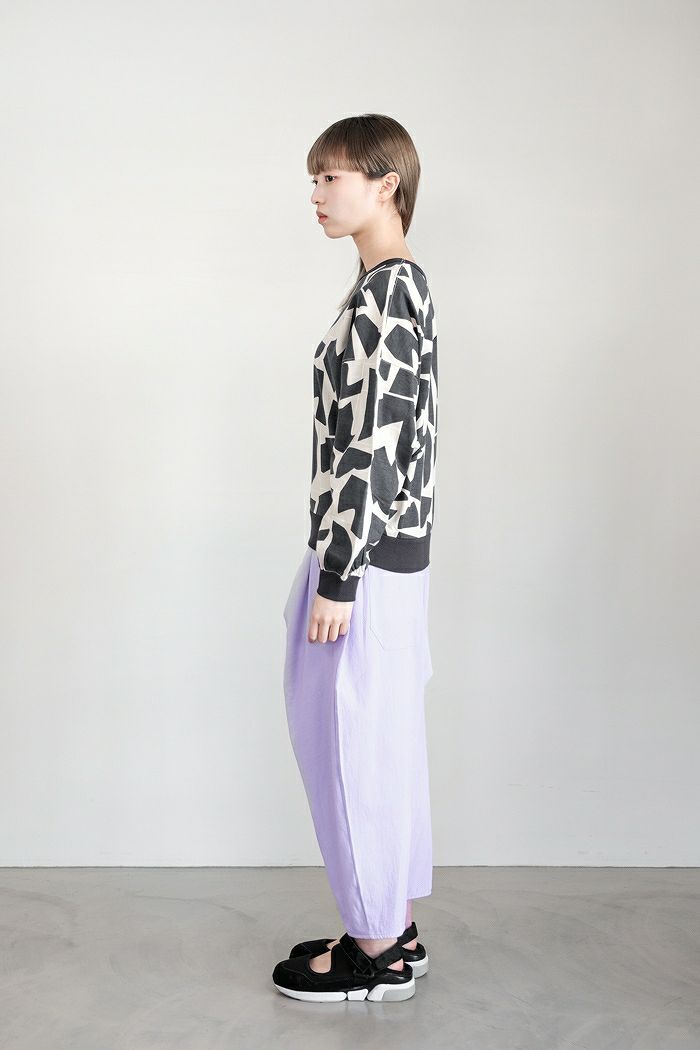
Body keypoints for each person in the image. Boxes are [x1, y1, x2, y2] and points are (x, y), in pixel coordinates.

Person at [272, 113, 439, 1003]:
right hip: (381, 556)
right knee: (375, 743)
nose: (316, 194)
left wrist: (337, 577)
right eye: (315, 178)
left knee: (350, 749)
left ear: (386, 183)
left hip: (362, 562)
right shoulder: (393, 287)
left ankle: (374, 953)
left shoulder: (385, 296)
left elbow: (372, 448)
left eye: (331, 177)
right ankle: (390, 925)